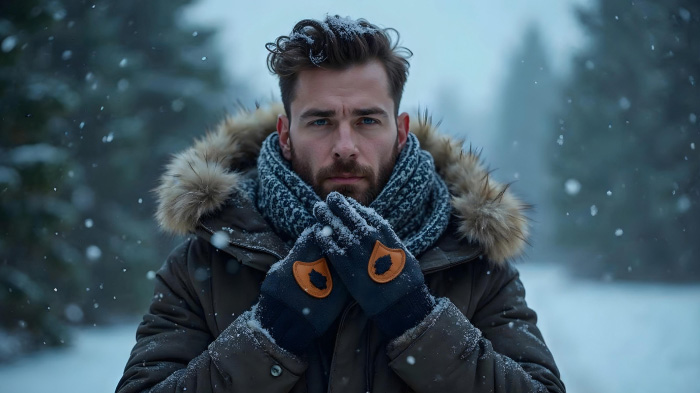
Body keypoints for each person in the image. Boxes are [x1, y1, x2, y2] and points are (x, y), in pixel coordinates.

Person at [116, 15, 565, 393]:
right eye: (321, 121)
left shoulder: (470, 260)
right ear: (287, 135)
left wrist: (417, 319)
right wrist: (269, 334)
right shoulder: (205, 263)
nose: (345, 146)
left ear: (401, 130)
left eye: (367, 120)